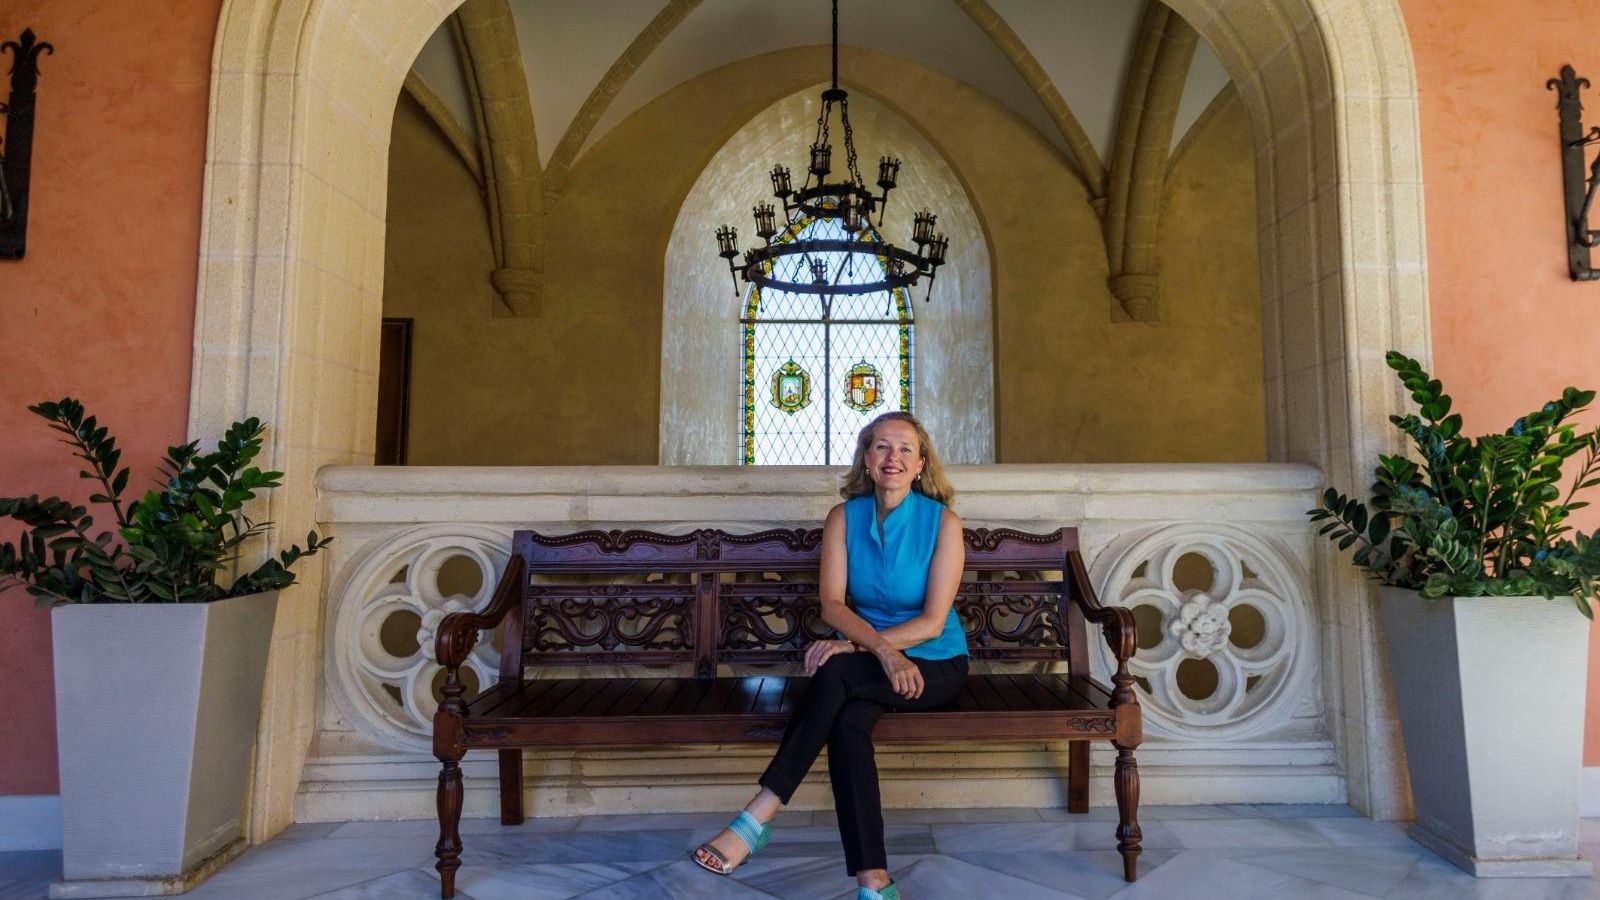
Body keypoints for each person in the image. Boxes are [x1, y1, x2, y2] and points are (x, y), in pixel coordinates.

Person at [690, 411, 968, 900]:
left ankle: (757, 816)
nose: (893, 457)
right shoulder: (843, 518)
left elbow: (930, 622)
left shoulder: (943, 523)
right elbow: (832, 605)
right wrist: (879, 651)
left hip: (935, 662)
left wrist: (860, 647)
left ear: (921, 464)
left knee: (836, 673)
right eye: (882, 446)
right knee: (847, 722)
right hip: (874, 662)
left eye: (905, 449)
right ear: (866, 458)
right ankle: (874, 883)